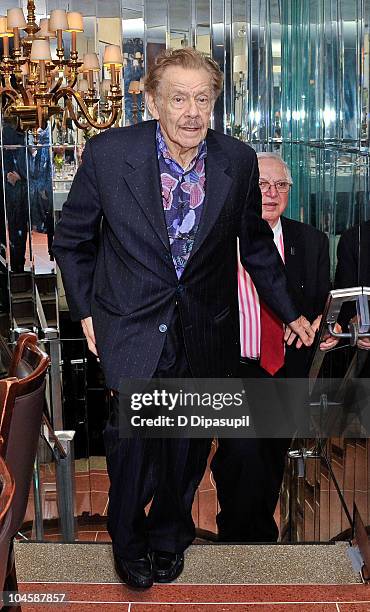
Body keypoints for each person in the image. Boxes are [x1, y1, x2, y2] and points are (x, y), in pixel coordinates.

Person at [52, 49, 315, 589]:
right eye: (178, 98)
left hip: (204, 327)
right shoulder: (108, 154)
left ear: (214, 104)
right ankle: (128, 538)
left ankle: (171, 536)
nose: (192, 112)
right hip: (129, 325)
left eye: (202, 99)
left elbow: (257, 247)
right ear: (152, 101)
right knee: (132, 442)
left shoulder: (237, 162)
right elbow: (72, 241)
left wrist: (290, 311)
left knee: (187, 443)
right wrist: (86, 313)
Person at [211, 152, 334, 543]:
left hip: (286, 370)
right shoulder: (220, 238)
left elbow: (320, 301)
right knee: (242, 453)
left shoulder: (311, 241)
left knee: (268, 460)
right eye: (262, 184)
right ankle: (245, 540)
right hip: (237, 367)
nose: (271, 193)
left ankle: (252, 539)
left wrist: (317, 322)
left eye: (280, 185)